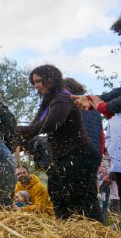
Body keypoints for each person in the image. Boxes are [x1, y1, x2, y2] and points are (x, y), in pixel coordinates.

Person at [16, 65, 98, 220]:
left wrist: (22, 131)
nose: (36, 86)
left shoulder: (63, 98)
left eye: (39, 81)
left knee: (75, 204)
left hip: (78, 155)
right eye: (34, 83)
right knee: (57, 198)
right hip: (61, 157)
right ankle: (66, 236)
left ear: (51, 79)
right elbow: (34, 126)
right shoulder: (48, 102)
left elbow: (51, 124)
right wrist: (22, 139)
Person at [64, 77, 104, 220]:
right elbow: (101, 136)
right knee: (91, 194)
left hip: (77, 153)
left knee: (73, 196)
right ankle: (99, 230)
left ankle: (76, 226)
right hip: (93, 155)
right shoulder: (94, 110)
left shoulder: (72, 106)